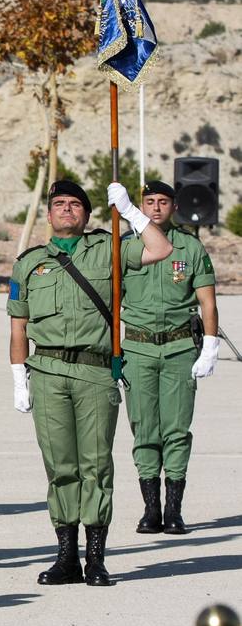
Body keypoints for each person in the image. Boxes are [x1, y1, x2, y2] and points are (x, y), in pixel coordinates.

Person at [8, 179, 171, 586]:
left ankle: (95, 558)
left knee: (95, 466)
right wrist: (17, 374)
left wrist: (132, 212)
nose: (67, 209)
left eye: (75, 204)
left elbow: (160, 249)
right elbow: (18, 325)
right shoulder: (28, 263)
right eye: (59, 204)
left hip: (96, 373)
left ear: (87, 214)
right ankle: (66, 558)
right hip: (46, 373)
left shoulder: (108, 249)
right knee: (60, 467)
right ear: (48, 214)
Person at [120, 180, 219, 535]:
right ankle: (151, 509)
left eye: (163, 201)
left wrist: (209, 345)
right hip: (138, 349)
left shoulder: (190, 247)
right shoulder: (125, 249)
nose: (156, 207)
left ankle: (174, 510)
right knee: (144, 428)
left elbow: (207, 299)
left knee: (176, 430)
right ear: (141, 206)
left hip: (179, 349)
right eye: (149, 201)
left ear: (174, 207)